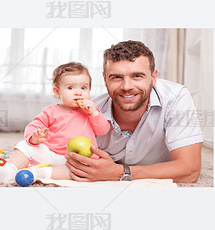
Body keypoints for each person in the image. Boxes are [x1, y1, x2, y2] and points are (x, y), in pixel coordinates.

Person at [65, 41, 203, 183]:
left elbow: (189, 171)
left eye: (137, 76)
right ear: (105, 80)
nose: (127, 86)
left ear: (153, 78)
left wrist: (120, 172)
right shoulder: (90, 111)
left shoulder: (176, 98)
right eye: (116, 77)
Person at [0, 62, 110, 183]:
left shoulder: (90, 112)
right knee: (24, 145)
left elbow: (103, 130)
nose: (78, 92)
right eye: (70, 88)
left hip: (75, 159)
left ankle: (39, 173)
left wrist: (94, 113)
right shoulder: (51, 111)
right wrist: (34, 137)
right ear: (57, 92)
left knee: (79, 171)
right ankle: (9, 170)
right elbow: (34, 125)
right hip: (50, 153)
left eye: (84, 88)